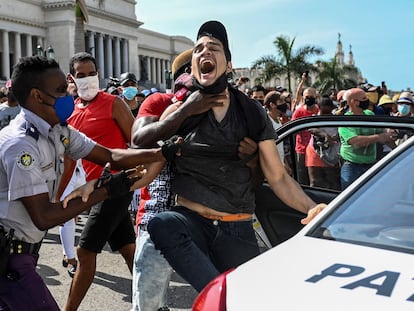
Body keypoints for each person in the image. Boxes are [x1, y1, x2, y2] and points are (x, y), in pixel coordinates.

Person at [145, 20, 326, 293]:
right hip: (190, 223)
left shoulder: (252, 113)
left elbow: (277, 177)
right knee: (161, 225)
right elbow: (148, 165)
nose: (204, 53)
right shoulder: (179, 113)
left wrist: (311, 207)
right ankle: (217, 297)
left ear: (228, 65)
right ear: (193, 64)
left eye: (213, 48)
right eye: (198, 49)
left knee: (248, 298)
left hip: (236, 228)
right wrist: (103, 186)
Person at [0, 56, 166, 311]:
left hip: (23, 254)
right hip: (10, 259)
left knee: (124, 245)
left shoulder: (58, 130)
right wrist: (106, 190)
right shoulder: (20, 146)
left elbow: (110, 155)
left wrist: (162, 153)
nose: (69, 94)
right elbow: (43, 217)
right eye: (60, 90)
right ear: (37, 96)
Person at [63, 52, 162, 311]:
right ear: (71, 78)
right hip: (91, 189)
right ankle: (153, 304)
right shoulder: (71, 111)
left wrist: (142, 170)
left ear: (98, 74)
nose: (87, 80)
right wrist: (61, 193)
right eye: (80, 75)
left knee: (84, 252)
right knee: (128, 248)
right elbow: (71, 158)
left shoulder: (113, 103)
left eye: (91, 73)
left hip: (115, 185)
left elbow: (137, 140)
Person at [131, 48, 193, 311]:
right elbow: (138, 140)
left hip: (203, 217)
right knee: (147, 303)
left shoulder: (222, 109)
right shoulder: (159, 102)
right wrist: (181, 108)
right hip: (156, 215)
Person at [338, 88, 396, 190]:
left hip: (371, 165)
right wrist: (378, 138)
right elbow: (355, 141)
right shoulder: (345, 121)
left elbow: (381, 132)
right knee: (349, 197)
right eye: (364, 98)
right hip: (352, 166)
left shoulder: (370, 115)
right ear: (354, 102)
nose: (367, 100)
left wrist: (390, 138)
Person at [306, 96, 340, 190]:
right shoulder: (314, 118)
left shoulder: (336, 118)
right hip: (315, 152)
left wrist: (336, 137)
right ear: (319, 107)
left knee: (333, 182)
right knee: (315, 182)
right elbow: (311, 129)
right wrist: (324, 134)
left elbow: (342, 131)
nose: (327, 113)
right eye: (325, 110)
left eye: (329, 110)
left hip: (332, 153)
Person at [291, 86, 319, 185]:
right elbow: (292, 129)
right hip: (302, 150)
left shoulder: (319, 111)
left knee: (315, 179)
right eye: (307, 96)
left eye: (311, 96)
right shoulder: (298, 112)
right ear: (303, 97)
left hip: (316, 151)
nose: (309, 98)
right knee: (302, 179)